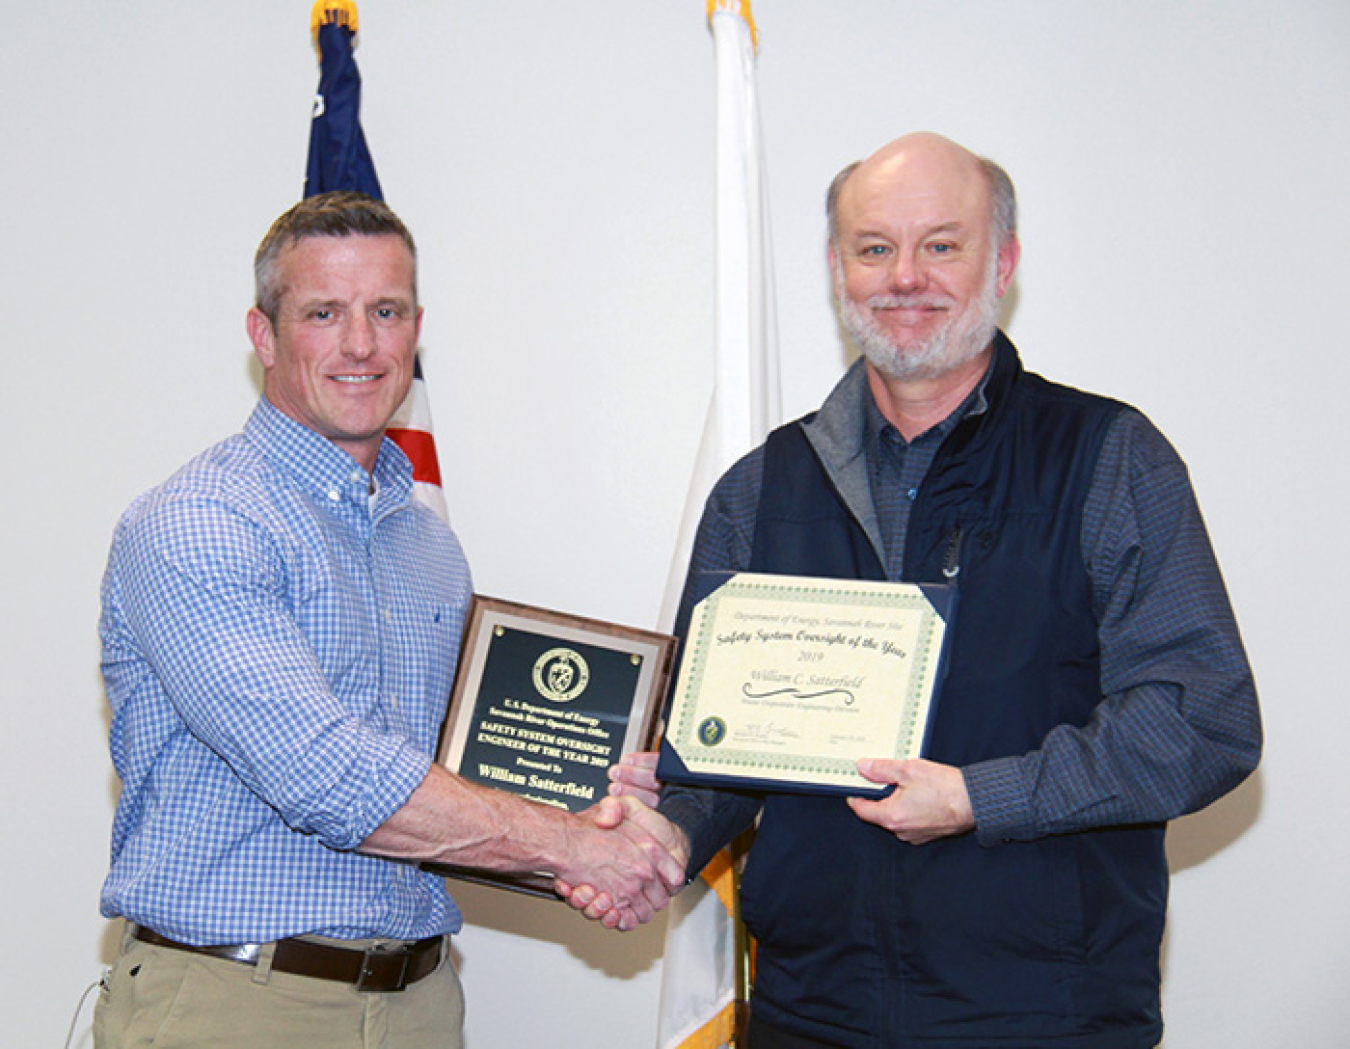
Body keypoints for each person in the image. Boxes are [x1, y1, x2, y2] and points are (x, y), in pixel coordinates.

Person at [577, 133, 1262, 1048]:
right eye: (874, 248)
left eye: (942, 244)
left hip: (1043, 1019)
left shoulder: (1108, 458)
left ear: (1003, 262)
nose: (905, 276)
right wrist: (665, 833)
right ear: (837, 270)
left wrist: (984, 795)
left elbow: (1202, 719)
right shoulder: (759, 489)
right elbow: (725, 749)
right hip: (808, 1014)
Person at [95, 191, 684, 1049]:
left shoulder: (427, 548)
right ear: (264, 336)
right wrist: (574, 846)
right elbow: (326, 774)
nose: (361, 344)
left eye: (386, 311)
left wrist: (606, 794)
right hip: (236, 1002)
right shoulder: (199, 522)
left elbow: (474, 765)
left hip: (418, 998)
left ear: (416, 328)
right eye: (324, 313)